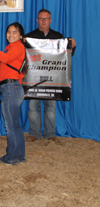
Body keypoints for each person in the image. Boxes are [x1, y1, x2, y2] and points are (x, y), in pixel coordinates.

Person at [25, 9, 76, 143]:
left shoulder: (58, 37)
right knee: (33, 107)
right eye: (41, 19)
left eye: (46, 19)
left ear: (50, 20)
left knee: (50, 107)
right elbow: (22, 57)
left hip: (52, 80)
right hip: (33, 79)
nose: (43, 21)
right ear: (37, 20)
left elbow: (65, 57)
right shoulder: (29, 37)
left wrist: (72, 47)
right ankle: (34, 133)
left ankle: (49, 134)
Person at [0, 22, 27, 165]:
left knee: (10, 125)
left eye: (14, 32)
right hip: (12, 88)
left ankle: (12, 157)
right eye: (9, 32)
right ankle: (19, 155)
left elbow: (4, 58)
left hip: (11, 88)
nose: (11, 35)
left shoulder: (17, 47)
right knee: (15, 125)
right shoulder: (13, 48)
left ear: (21, 35)